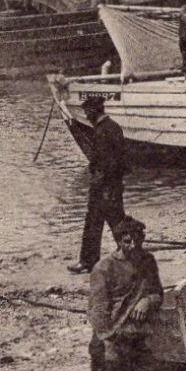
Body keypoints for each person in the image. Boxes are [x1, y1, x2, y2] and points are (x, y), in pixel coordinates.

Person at [87, 216, 174, 371]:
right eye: (127, 240)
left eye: (138, 239)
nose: (133, 244)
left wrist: (148, 301)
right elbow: (98, 315)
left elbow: (158, 292)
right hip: (109, 345)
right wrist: (112, 342)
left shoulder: (148, 262)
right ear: (117, 241)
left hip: (136, 344)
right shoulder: (103, 269)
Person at [68, 96, 126, 275]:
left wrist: (100, 185)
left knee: (95, 222)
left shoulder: (102, 131)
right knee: (117, 222)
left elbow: (105, 163)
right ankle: (132, 256)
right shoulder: (114, 127)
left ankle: (88, 261)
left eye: (87, 112)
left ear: (94, 111)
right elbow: (123, 161)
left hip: (103, 186)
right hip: (113, 185)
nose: (86, 116)